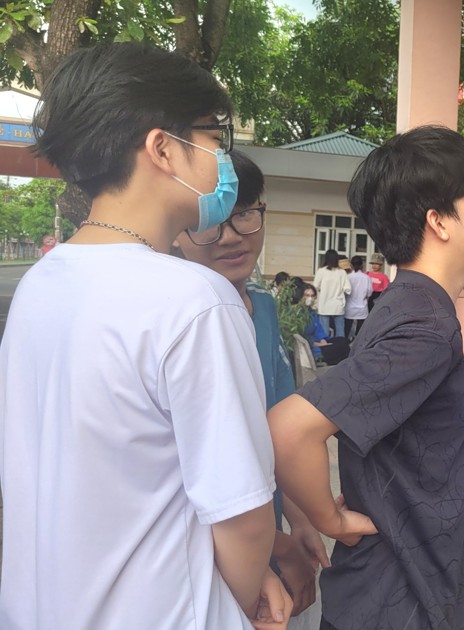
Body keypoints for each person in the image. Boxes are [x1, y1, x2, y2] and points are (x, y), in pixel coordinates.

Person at [0, 42, 290, 629]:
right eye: (215, 139)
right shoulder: (194, 302)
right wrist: (242, 598)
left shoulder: (40, 285)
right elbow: (244, 518)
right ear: (164, 148)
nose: (222, 161)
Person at [267, 126, 464, 630]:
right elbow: (288, 429)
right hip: (394, 599)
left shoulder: (409, 305)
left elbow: (403, 453)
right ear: (439, 221)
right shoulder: (425, 325)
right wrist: (331, 520)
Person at [173, 150, 329, 623]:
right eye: (209, 220)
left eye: (244, 214)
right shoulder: (176, 316)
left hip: (264, 544)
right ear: (176, 228)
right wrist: (276, 549)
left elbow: (278, 426)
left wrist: (301, 522)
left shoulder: (261, 306)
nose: (231, 237)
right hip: (195, 564)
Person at [299, 284, 350, 366]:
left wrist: (323, 340)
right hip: (311, 346)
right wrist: (319, 344)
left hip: (319, 342)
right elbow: (302, 336)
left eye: (312, 296)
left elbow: (318, 328)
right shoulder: (297, 314)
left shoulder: (311, 312)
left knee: (343, 340)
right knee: (342, 348)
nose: (310, 298)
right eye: (307, 295)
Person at [312, 249, 351, 337]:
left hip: (324, 305)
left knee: (324, 332)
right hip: (338, 305)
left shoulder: (321, 271)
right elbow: (348, 289)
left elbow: (315, 287)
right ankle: (341, 349)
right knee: (340, 331)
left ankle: (326, 349)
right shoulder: (342, 272)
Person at [344, 255, 373, 340]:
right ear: (362, 265)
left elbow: (345, 291)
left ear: (351, 265)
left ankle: (346, 344)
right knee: (360, 333)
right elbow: (369, 293)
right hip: (362, 308)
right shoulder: (366, 278)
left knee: (347, 330)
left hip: (349, 307)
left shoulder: (348, 277)